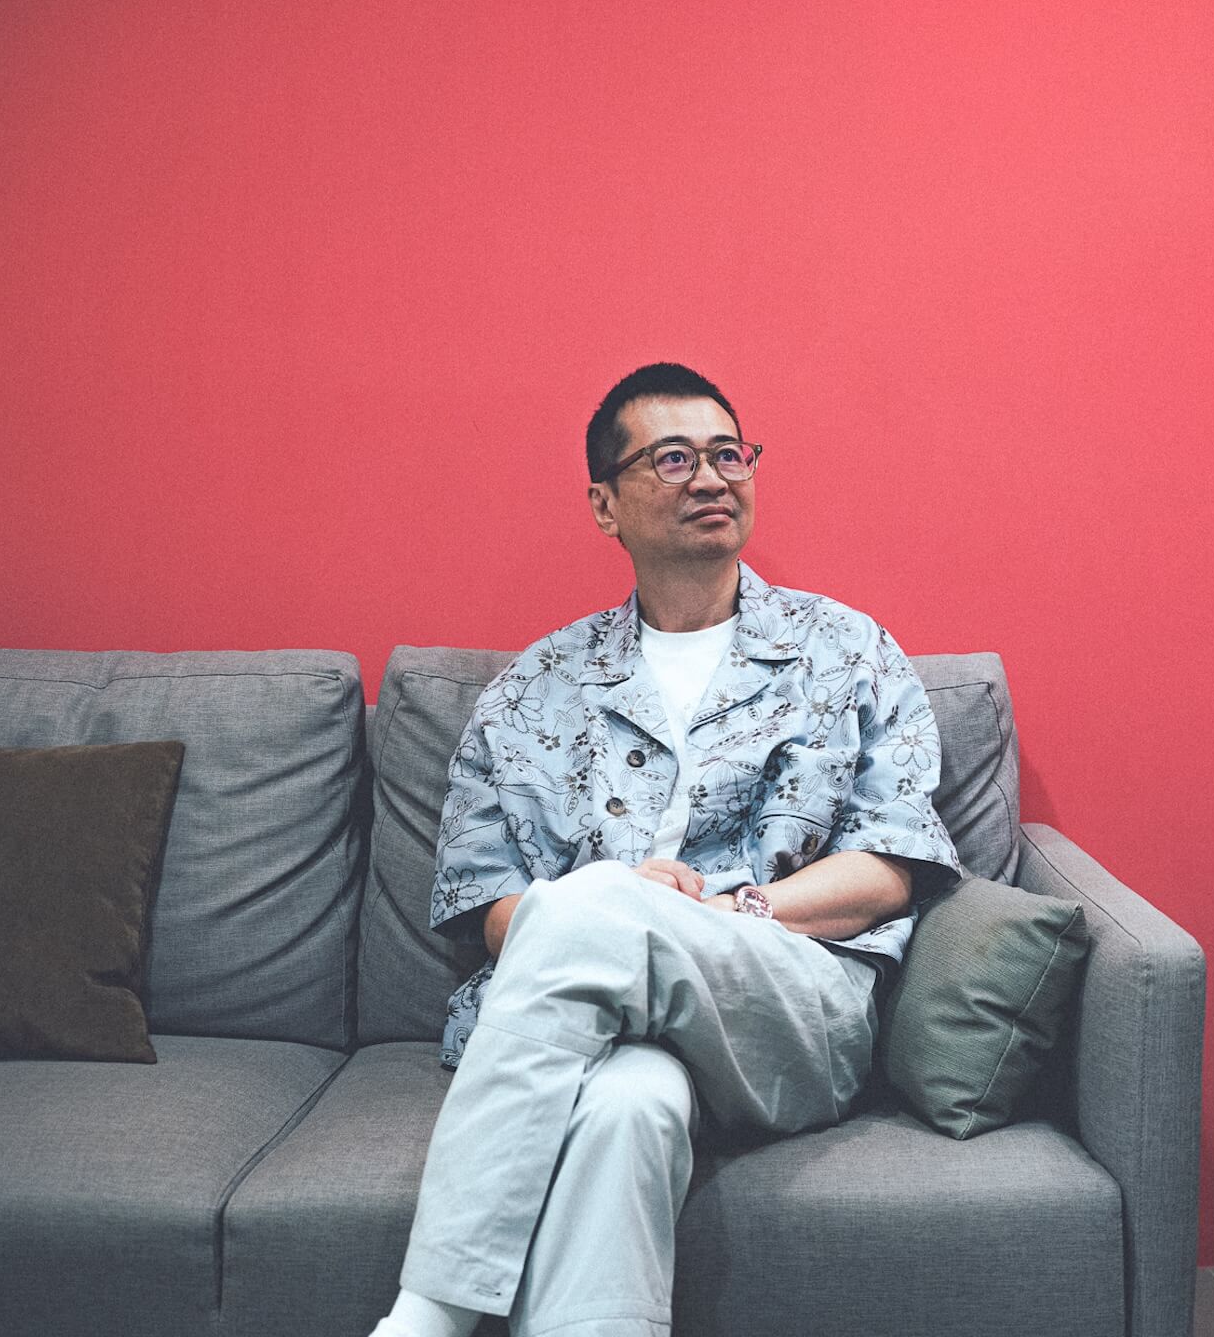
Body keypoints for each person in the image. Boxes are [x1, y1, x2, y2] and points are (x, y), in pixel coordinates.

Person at [370, 363, 960, 1337]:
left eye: (729, 454)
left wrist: (714, 911)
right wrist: (613, 909)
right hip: (596, 1030)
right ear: (605, 504)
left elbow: (891, 867)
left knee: (598, 900)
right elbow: (490, 908)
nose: (713, 477)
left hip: (789, 1003)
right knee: (627, 1110)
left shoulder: (846, 650)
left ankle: (428, 1314)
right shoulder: (533, 690)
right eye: (675, 459)